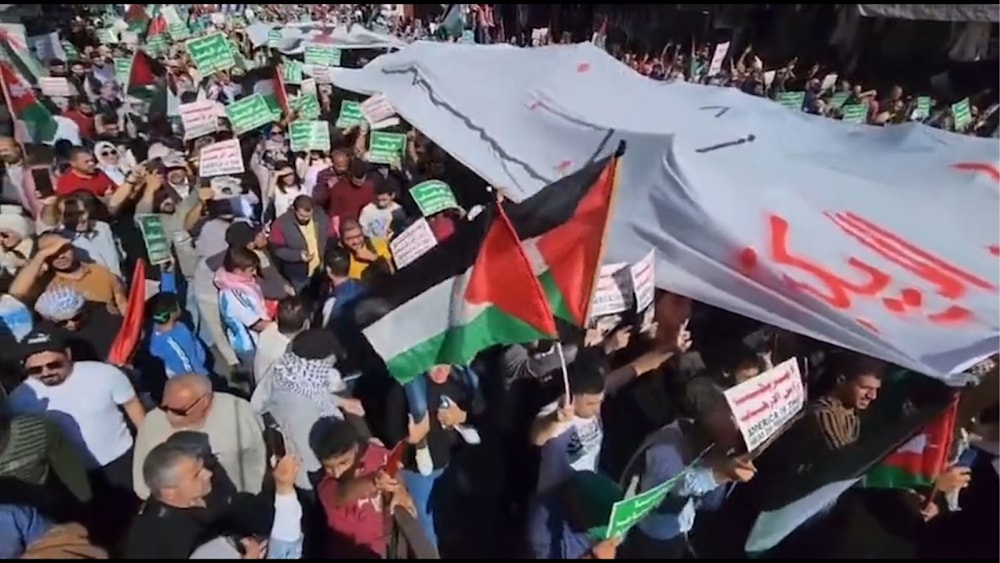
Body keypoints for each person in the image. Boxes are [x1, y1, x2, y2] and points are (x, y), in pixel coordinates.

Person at [123, 432, 299, 559]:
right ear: (169, 491)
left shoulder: (209, 492)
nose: (208, 474)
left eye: (204, 467)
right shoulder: (152, 538)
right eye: (196, 474)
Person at [131, 374, 267, 499]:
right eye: (165, 408)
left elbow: (260, 455)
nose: (170, 416)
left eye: (180, 411)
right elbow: (142, 482)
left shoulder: (239, 411)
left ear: (205, 401)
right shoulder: (152, 424)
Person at [315, 417, 416, 558]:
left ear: (356, 449)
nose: (336, 472)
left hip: (381, 548)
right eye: (329, 467)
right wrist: (373, 481)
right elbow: (343, 494)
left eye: (343, 463)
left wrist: (399, 489)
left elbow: (393, 469)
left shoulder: (377, 456)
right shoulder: (327, 486)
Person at [268, 195, 335, 291]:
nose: (305, 219)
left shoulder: (321, 217)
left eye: (308, 216)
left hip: (321, 269)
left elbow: (331, 237)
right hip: (298, 274)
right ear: (294, 210)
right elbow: (276, 249)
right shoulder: (281, 223)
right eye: (301, 215)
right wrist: (298, 255)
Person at [54, 147, 118, 197]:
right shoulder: (66, 183)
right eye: (86, 162)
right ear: (73, 163)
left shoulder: (99, 173)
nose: (91, 164)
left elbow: (115, 188)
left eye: (92, 160)